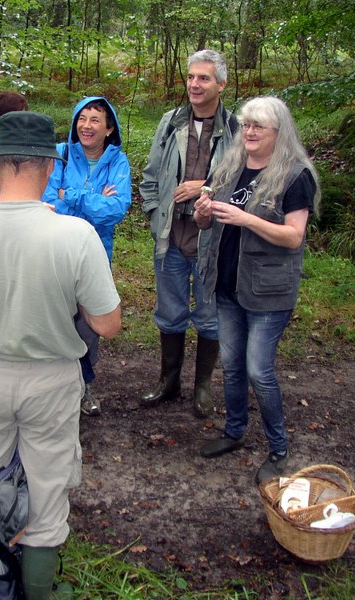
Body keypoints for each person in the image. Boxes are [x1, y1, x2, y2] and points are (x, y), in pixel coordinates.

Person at [0, 111, 121, 599]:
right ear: (50, 162)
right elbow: (107, 324)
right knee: (47, 483)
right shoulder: (74, 235)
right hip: (51, 380)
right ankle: (37, 590)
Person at [194, 96, 320, 484]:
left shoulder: (296, 176)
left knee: (258, 371)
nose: (248, 132)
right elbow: (208, 222)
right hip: (228, 285)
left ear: (278, 133)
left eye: (258, 126)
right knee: (231, 366)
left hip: (268, 292)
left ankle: (278, 449)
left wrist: (245, 218)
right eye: (246, 124)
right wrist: (202, 214)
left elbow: (293, 237)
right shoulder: (230, 167)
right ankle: (233, 432)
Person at [139, 49, 238, 418]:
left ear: (221, 85)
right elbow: (150, 179)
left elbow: (247, 186)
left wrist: (206, 186)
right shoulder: (169, 123)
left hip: (214, 243)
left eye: (204, 78)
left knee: (211, 316)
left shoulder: (237, 130)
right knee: (169, 312)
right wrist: (154, 217)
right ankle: (168, 383)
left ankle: (203, 387)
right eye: (191, 77)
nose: (194, 84)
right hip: (171, 241)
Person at [42, 96, 131, 416]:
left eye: (96, 120)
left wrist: (74, 196)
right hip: (57, 247)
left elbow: (117, 209)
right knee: (55, 316)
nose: (86, 126)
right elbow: (49, 199)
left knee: (90, 322)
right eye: (82, 118)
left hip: (95, 252)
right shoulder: (60, 154)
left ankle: (84, 384)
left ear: (109, 129)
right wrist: (93, 199)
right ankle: (53, 384)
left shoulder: (118, 163)